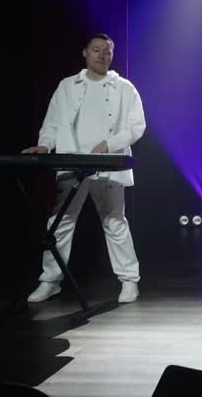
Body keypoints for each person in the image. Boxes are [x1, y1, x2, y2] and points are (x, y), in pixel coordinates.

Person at [22, 33, 146, 304]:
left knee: (114, 221)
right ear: (85, 53)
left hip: (108, 164)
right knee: (60, 222)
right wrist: (44, 145)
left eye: (107, 51)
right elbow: (52, 123)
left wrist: (109, 144)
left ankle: (129, 281)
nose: (102, 55)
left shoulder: (124, 88)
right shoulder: (67, 86)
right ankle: (50, 280)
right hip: (72, 162)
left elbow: (137, 126)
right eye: (96, 49)